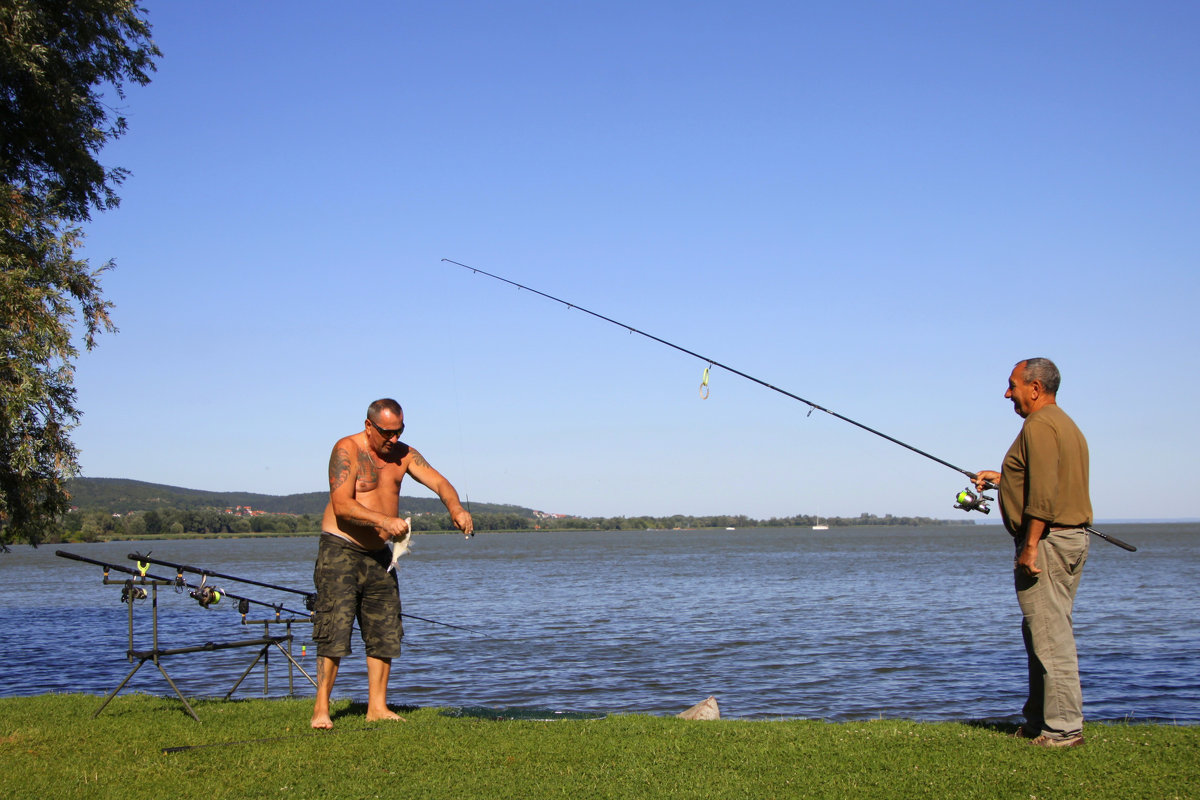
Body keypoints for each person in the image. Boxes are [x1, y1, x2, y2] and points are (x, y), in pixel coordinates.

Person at [311, 398, 474, 729]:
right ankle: (321, 710)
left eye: (399, 431)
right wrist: (383, 521)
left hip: (380, 555)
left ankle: (377, 707)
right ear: (369, 426)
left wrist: (456, 509)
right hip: (341, 549)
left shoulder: (404, 454)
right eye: (387, 432)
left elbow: (441, 483)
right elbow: (342, 506)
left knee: (384, 629)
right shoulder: (347, 449)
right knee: (334, 630)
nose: (394, 439)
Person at [974, 358, 1091, 748]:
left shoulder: (1038, 425)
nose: (1008, 394)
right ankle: (1041, 719)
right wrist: (1004, 477)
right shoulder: (1064, 424)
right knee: (1041, 631)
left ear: (1035, 388)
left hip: (1047, 543)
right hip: (1068, 539)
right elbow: (1043, 478)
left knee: (1050, 637)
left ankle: (1062, 731)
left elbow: (1042, 497)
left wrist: (1029, 547)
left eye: (1013, 385)